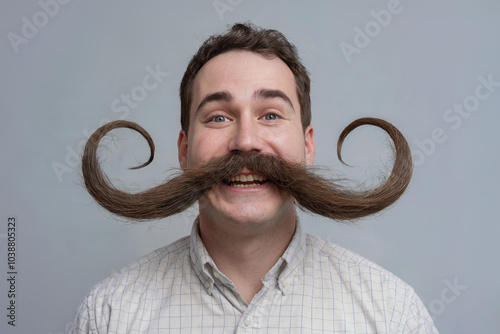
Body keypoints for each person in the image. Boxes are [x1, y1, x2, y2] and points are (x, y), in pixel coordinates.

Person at [70, 23, 439, 333]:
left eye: (271, 115)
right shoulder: (109, 315)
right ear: (184, 151)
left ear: (308, 147)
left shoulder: (393, 314)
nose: (246, 140)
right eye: (218, 117)